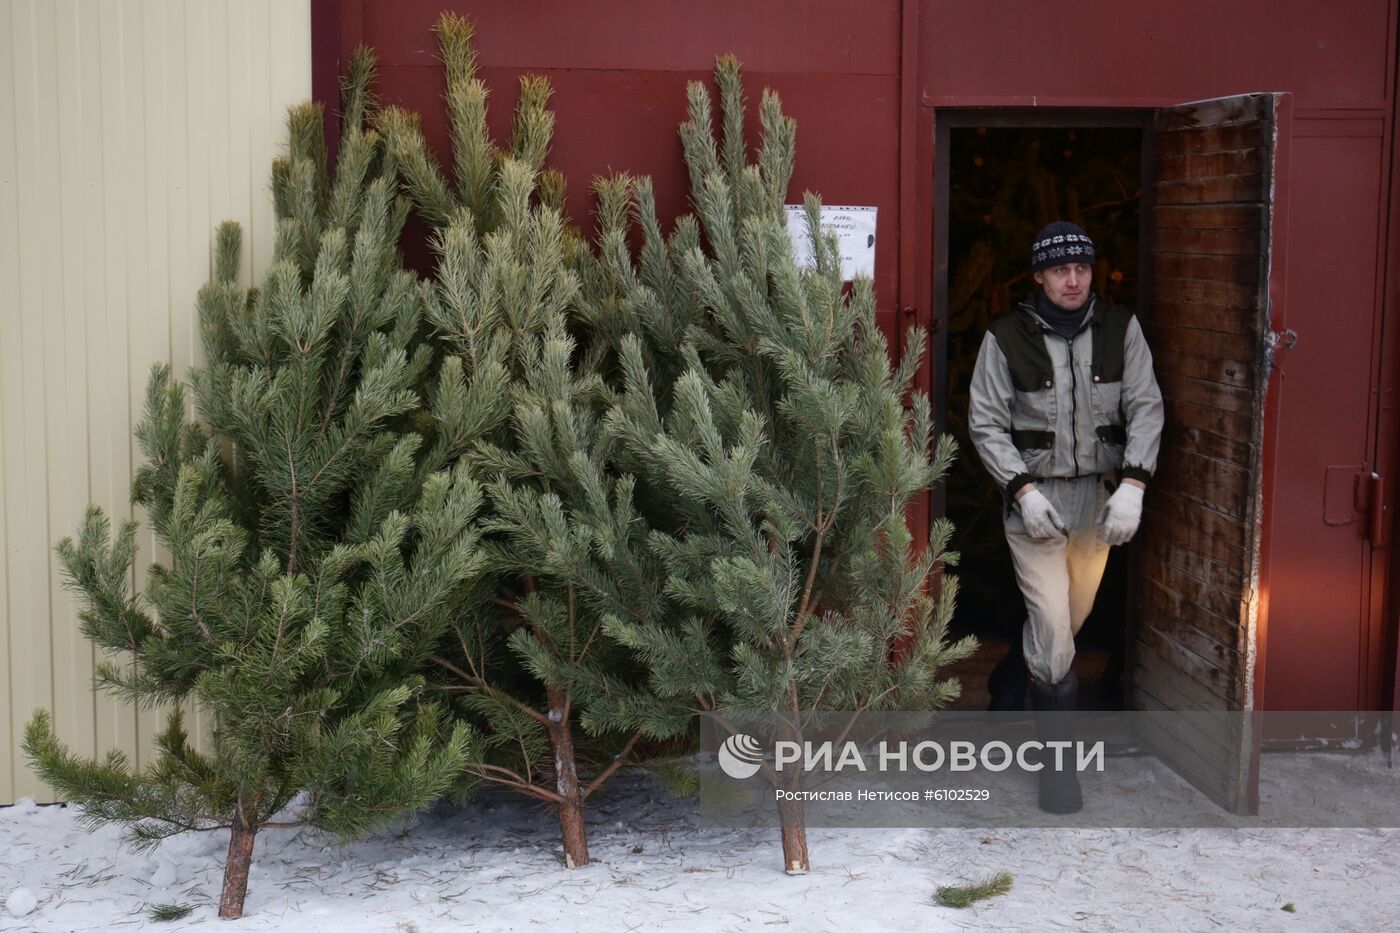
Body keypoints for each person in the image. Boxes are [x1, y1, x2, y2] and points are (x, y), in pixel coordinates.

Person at [967, 221, 1164, 812]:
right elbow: (985, 423)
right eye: (1060, 270)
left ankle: (1009, 676)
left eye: (1081, 268)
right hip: (1036, 502)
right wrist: (1022, 491)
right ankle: (1059, 774)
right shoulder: (1004, 338)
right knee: (1054, 630)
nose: (1073, 279)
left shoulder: (1121, 329)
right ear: (1039, 277)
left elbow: (1147, 407)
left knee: (1068, 621)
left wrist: (1132, 484)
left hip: (1098, 502)